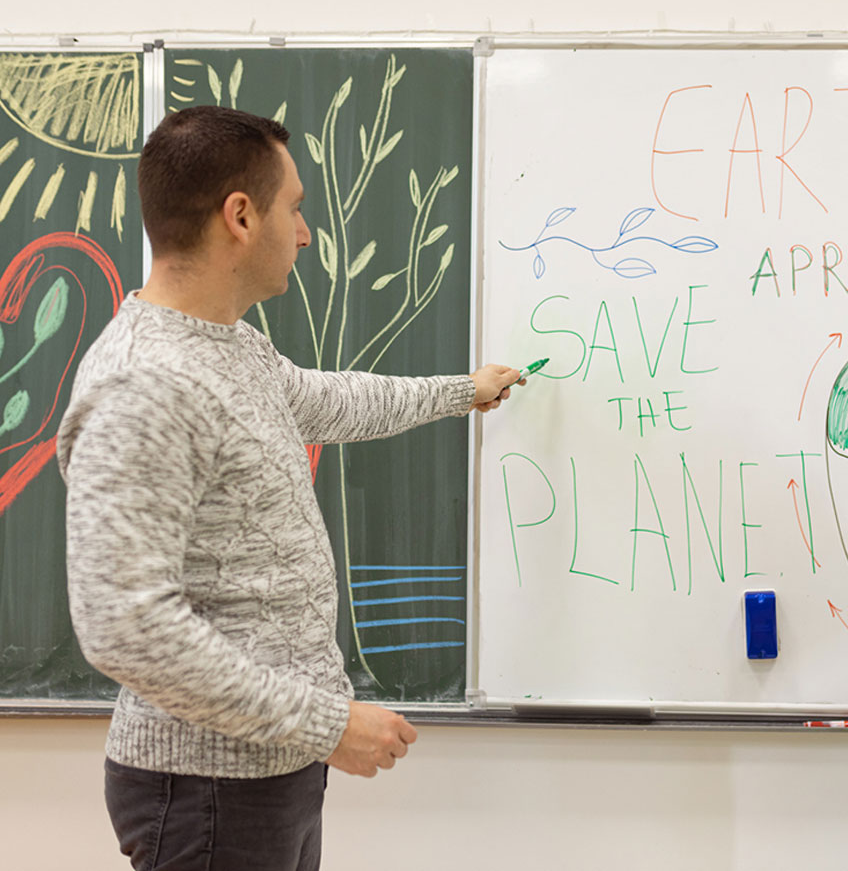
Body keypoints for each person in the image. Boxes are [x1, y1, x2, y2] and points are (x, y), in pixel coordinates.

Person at [56, 105, 522, 871]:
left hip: (262, 771)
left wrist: (461, 390)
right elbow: (123, 625)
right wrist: (323, 723)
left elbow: (331, 401)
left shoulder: (229, 345)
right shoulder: (146, 384)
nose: (305, 233)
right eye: (295, 208)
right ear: (240, 216)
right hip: (205, 787)